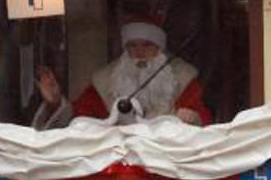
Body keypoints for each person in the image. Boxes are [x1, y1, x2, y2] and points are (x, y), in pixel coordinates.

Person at [32, 17, 211, 129]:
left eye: (147, 45)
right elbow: (80, 119)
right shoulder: (105, 79)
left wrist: (193, 118)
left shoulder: (182, 77)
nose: (139, 52)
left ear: (159, 48)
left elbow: (203, 117)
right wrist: (55, 103)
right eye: (132, 45)